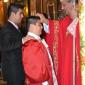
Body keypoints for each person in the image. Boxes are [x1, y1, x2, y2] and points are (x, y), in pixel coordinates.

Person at [36, 0, 81, 85]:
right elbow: (57, 28)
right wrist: (45, 21)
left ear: (73, 4)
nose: (62, 8)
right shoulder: (67, 21)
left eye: (64, 5)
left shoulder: (81, 22)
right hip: (68, 65)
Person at [22, 16, 58, 85]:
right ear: (32, 26)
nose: (42, 27)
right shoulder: (31, 44)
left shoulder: (35, 41)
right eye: (39, 25)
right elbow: (36, 72)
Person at [0, 3, 27, 85]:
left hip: (17, 69)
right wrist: (23, 40)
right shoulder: (6, 29)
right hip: (13, 71)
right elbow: (4, 47)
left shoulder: (15, 27)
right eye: (20, 13)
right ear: (12, 14)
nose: (22, 16)